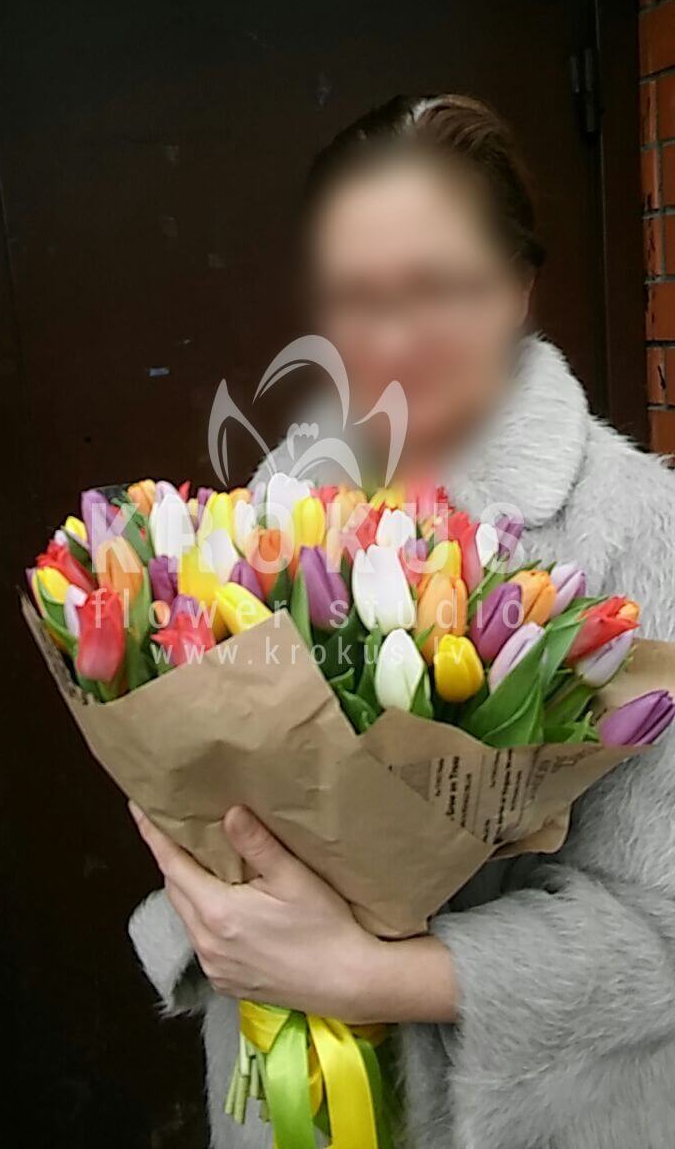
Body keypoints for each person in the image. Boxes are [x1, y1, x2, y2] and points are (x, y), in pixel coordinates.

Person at [129, 95, 675, 1149]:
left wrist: (366, 974)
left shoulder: (641, 529)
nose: (392, 336)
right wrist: (216, 898)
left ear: (518, 286)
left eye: (439, 287)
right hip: (285, 1089)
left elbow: (664, 930)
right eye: (358, 293)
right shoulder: (283, 495)